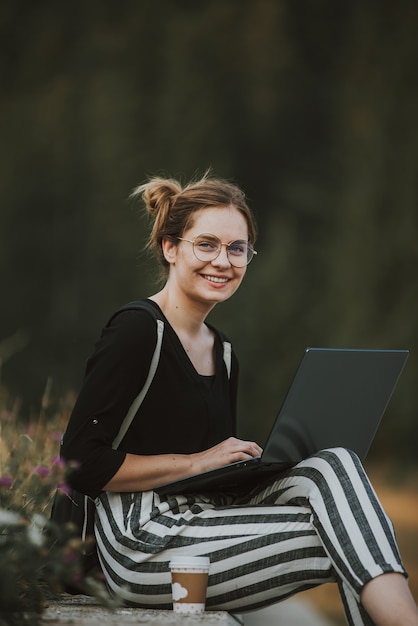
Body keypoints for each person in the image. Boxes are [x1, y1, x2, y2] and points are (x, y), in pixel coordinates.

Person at [61, 172, 418, 626]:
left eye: (237, 248)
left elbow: (213, 479)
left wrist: (258, 468)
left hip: (205, 523)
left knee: (337, 464)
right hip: (141, 544)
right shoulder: (137, 330)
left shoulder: (222, 351)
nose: (223, 261)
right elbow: (78, 461)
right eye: (206, 244)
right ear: (170, 248)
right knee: (356, 534)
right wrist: (196, 461)